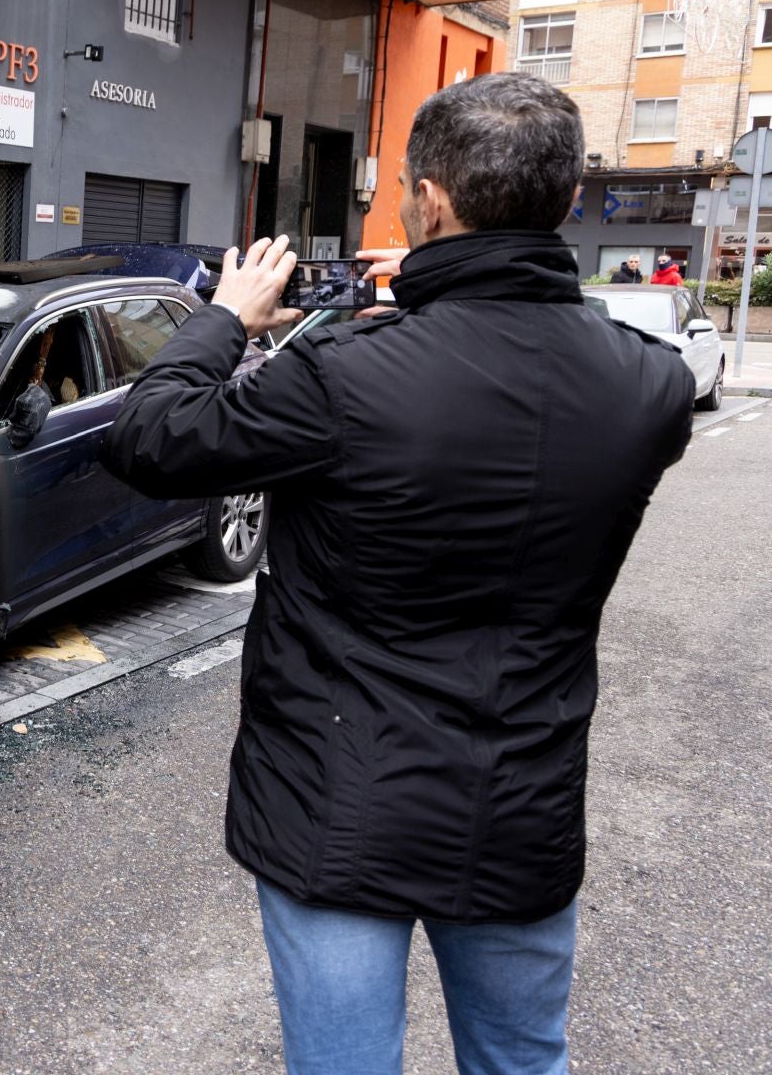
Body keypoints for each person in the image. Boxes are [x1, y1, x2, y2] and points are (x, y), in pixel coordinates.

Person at [100, 72, 693, 1075]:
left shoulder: (341, 375)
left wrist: (227, 317)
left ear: (429, 200)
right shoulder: (653, 385)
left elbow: (152, 435)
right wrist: (434, 292)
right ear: (566, 200)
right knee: (521, 1061)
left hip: (337, 804)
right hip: (521, 805)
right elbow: (530, 368)